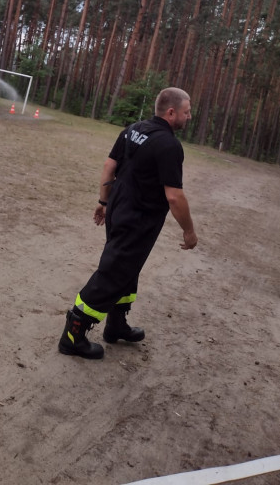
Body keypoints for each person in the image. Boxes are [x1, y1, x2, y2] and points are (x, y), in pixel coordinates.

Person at [59, 87, 198, 360]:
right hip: (137, 218)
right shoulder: (169, 145)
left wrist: (104, 201)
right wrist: (189, 231)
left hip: (120, 208)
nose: (189, 117)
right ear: (171, 112)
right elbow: (174, 196)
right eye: (187, 111)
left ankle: (116, 325)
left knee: (127, 268)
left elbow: (109, 167)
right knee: (113, 271)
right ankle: (73, 334)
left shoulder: (133, 129)